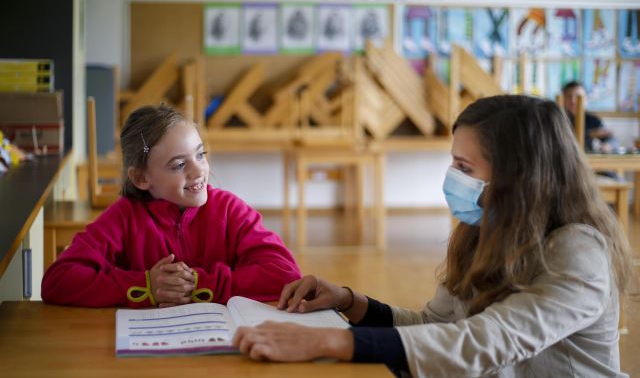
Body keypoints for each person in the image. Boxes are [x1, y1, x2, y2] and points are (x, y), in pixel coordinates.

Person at [233, 95, 634, 377]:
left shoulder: (579, 251)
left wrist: (331, 343)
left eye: (464, 166)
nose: (452, 179)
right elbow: (434, 324)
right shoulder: (484, 230)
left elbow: (487, 340)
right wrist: (350, 303)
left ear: (519, 176)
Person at [42, 104, 301, 308]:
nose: (198, 170)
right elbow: (57, 280)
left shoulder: (229, 210)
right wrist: (146, 286)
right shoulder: (123, 217)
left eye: (200, 155)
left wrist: (199, 284)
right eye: (179, 165)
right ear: (142, 178)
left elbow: (285, 275)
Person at [562, 80, 618, 153]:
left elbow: (612, 140)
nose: (573, 100)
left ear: (586, 99)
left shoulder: (593, 119)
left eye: (578, 97)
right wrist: (590, 134)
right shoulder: (557, 119)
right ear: (562, 99)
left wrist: (608, 145)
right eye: (569, 96)